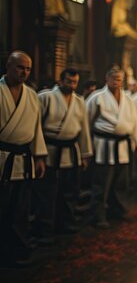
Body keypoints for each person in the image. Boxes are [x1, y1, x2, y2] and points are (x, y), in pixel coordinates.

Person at [0, 51, 47, 265]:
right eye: (20, 67)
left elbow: (36, 128)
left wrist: (39, 157)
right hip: (2, 156)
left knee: (20, 208)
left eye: (28, 69)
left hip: (23, 158)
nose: (24, 72)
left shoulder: (31, 95)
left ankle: (19, 248)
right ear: (8, 66)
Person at [35, 68, 93, 238]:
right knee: (47, 191)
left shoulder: (79, 101)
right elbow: (36, 126)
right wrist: (38, 154)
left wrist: (85, 153)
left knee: (69, 190)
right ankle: (44, 228)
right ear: (60, 80)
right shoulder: (45, 97)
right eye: (68, 81)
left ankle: (65, 222)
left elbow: (84, 129)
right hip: (50, 149)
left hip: (71, 149)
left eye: (74, 82)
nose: (71, 85)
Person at [86, 66, 137, 228]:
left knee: (121, 182)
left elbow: (135, 122)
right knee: (102, 182)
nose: (117, 82)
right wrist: (87, 147)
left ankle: (118, 211)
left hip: (123, 145)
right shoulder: (97, 97)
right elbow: (86, 122)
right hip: (104, 144)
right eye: (114, 79)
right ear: (107, 79)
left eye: (120, 79)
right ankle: (98, 215)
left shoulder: (129, 100)